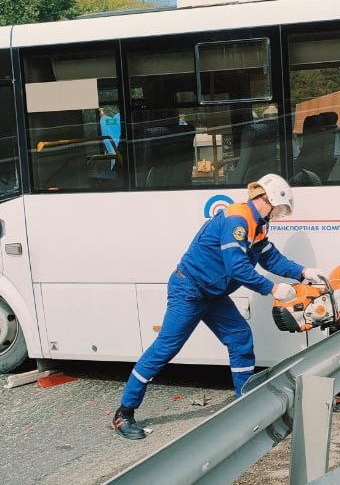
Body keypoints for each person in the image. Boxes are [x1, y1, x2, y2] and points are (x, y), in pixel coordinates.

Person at [112, 173, 324, 440]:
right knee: (165, 349)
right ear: (266, 199)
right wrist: (272, 288)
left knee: (239, 337)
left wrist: (303, 273)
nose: (279, 215)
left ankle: (244, 404)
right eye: (279, 209)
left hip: (212, 295)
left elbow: (271, 259)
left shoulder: (258, 225)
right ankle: (124, 413)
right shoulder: (237, 219)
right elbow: (236, 268)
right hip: (189, 290)